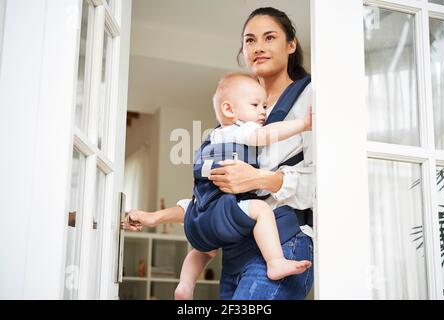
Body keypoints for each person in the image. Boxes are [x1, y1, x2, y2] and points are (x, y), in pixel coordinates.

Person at [124, 7, 314, 300]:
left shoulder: (312, 100)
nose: (258, 47)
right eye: (250, 40)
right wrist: (154, 218)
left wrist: (258, 179)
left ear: (291, 44)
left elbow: (322, 185)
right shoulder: (229, 125)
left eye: (269, 37)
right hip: (234, 248)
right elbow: (205, 202)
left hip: (285, 240)